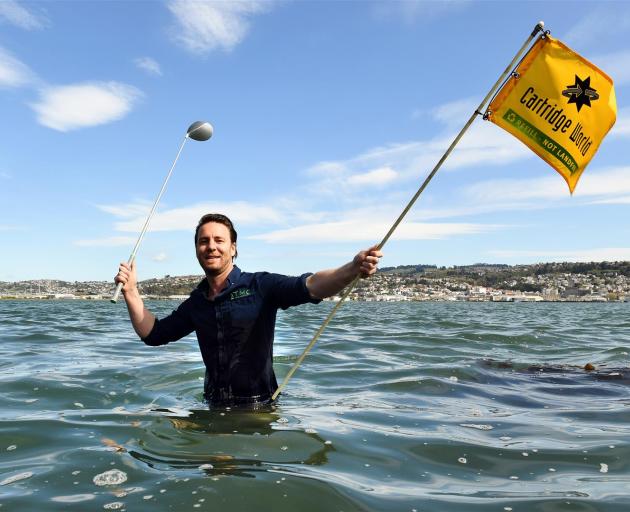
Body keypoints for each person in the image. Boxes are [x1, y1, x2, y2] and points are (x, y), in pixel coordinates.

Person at [115, 213, 382, 407]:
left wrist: (351, 268)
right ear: (197, 249)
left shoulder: (260, 286)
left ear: (233, 248)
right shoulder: (196, 302)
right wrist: (131, 292)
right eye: (203, 241)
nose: (211, 246)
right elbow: (154, 334)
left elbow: (311, 286)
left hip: (260, 408)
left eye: (219, 240)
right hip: (212, 407)